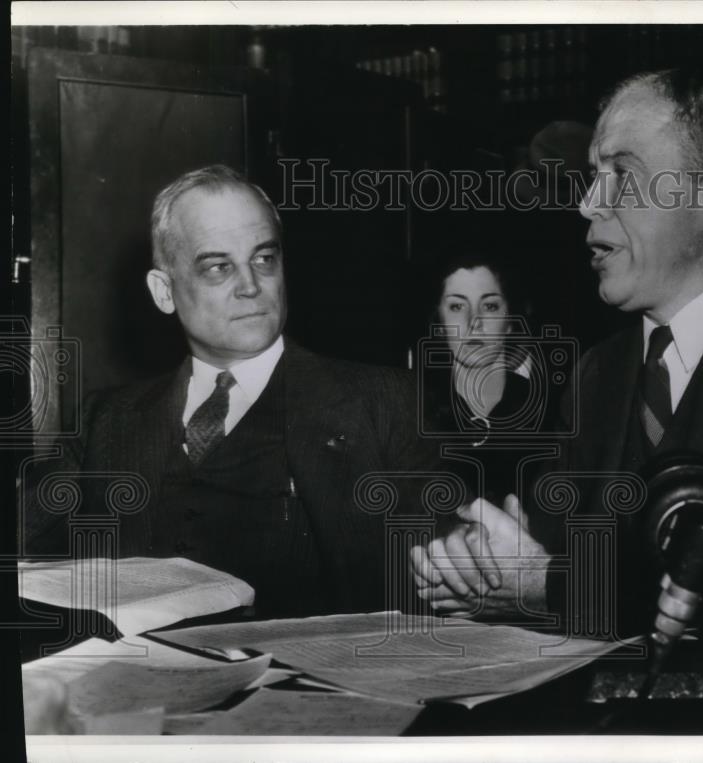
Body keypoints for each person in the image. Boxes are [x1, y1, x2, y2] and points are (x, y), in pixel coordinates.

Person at [410, 69, 703, 650]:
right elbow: (552, 545)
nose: (586, 204)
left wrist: (543, 585)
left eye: (621, 175)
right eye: (591, 177)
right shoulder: (597, 371)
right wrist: (479, 561)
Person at [23, 164, 433, 618]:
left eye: (264, 259)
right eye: (218, 267)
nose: (252, 286)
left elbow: (450, 555)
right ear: (164, 292)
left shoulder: (384, 402)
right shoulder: (106, 419)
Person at [420, 251, 549, 506]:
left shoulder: (551, 412)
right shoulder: (412, 408)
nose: (473, 322)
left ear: (511, 320)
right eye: (457, 306)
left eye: (489, 306)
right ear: (439, 321)